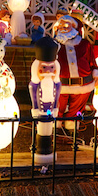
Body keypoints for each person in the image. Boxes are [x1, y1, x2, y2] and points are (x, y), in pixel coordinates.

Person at [55, 15, 98, 134]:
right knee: (57, 106)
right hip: (61, 84)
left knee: (76, 109)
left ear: (74, 27)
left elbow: (91, 60)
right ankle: (56, 127)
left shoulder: (84, 44)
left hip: (83, 83)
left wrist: (96, 72)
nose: (63, 28)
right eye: (60, 25)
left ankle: (71, 129)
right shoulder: (55, 44)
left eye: (66, 25)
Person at [29, 36, 61, 164]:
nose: (48, 71)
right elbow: (33, 94)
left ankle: (48, 147)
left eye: (51, 68)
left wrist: (56, 107)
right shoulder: (35, 84)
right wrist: (35, 108)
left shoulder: (56, 83)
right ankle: (41, 148)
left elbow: (58, 93)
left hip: (51, 109)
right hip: (41, 109)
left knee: (50, 128)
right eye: (44, 68)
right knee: (41, 128)